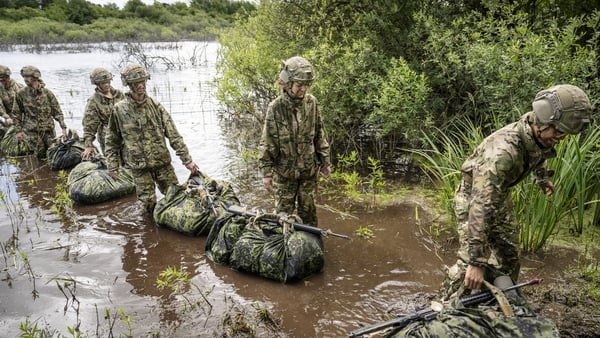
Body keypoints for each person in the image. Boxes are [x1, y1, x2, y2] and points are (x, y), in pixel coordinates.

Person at [443, 84, 592, 299]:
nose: (559, 138)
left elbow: (536, 153)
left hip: (499, 195)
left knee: (509, 256)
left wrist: (542, 179)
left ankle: (495, 300)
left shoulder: (535, 135)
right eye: (557, 132)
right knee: (469, 265)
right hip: (473, 199)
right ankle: (443, 303)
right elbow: (480, 206)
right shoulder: (502, 153)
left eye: (563, 134)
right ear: (541, 121)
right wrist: (476, 261)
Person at [104, 63, 199, 213]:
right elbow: (111, 140)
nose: (141, 86)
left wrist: (187, 160)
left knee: (176, 198)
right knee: (148, 205)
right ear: (129, 85)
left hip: (162, 163)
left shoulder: (155, 105)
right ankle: (151, 231)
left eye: (143, 82)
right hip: (139, 167)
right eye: (136, 83)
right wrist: (112, 166)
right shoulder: (119, 110)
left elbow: (173, 134)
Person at [258, 56, 332, 227]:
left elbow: (320, 134)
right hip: (284, 175)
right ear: (287, 83)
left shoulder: (311, 103)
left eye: (306, 85)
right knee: (282, 218)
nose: (303, 89)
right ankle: (283, 248)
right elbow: (267, 142)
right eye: (299, 85)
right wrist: (266, 173)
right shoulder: (275, 108)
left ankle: (309, 248)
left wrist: (325, 162)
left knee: (309, 215)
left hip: (308, 172)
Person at [12, 65, 68, 159]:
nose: (25, 79)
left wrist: (63, 127)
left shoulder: (47, 93)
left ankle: (50, 173)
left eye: (27, 76)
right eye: (24, 77)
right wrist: (18, 131)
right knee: (39, 156)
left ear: (35, 77)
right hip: (32, 132)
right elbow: (16, 114)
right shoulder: (21, 94)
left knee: (53, 154)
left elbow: (57, 111)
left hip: (48, 131)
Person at [81, 67, 125, 159]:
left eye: (108, 82)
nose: (106, 85)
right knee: (113, 162)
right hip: (107, 136)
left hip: (124, 133)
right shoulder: (94, 101)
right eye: (103, 83)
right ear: (97, 84)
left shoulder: (119, 95)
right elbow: (89, 124)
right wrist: (88, 145)